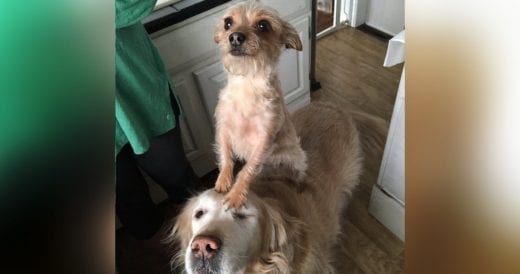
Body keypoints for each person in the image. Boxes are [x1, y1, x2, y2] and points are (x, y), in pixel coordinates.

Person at [115, 0, 199, 240]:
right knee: (129, 201)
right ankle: (163, 255)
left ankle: (206, 237)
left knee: (180, 181)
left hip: (137, 94)